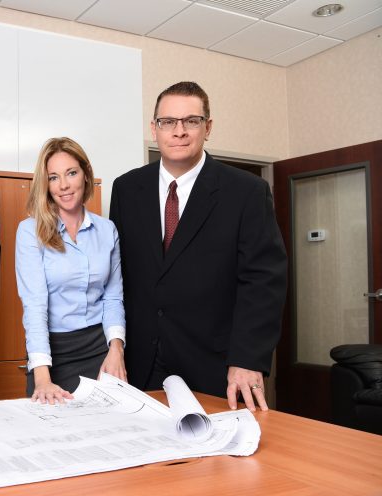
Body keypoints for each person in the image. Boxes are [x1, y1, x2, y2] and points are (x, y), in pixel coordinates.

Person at [109, 81, 287, 411]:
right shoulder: (126, 189)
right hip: (140, 363)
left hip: (215, 366)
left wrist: (247, 358)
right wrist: (114, 345)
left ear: (208, 127)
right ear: (154, 128)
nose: (179, 131)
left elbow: (264, 282)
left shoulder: (246, 191)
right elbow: (118, 277)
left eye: (191, 121)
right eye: (168, 122)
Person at [16, 137, 126, 404]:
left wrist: (116, 350)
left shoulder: (107, 230)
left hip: (100, 349)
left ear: (86, 174)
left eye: (71, 173)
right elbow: (34, 305)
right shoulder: (30, 232)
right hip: (52, 353)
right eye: (53, 178)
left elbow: (113, 298)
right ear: (45, 185)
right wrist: (42, 377)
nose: (63, 185)